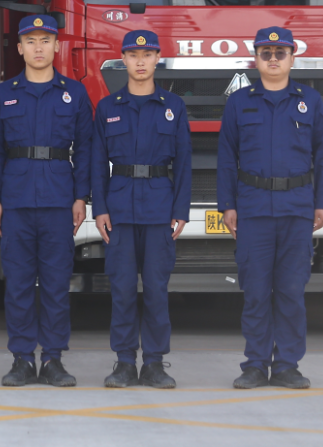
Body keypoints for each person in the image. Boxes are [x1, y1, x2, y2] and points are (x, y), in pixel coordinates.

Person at [219, 26, 323, 391]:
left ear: (291, 58)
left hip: (297, 209)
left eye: (280, 53)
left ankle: (286, 365)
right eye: (265, 53)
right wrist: (227, 205)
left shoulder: (310, 100)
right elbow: (226, 158)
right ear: (255, 59)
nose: (273, 59)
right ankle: (255, 365)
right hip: (253, 209)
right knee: (255, 291)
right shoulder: (239, 102)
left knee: (290, 291)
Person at [0, 13, 92, 388]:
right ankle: (21, 360)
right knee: (17, 283)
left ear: (56, 46)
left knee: (56, 284)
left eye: (45, 40)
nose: (38, 48)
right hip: (15, 201)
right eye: (31, 41)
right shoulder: (3, 94)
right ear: (20, 48)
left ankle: (53, 360)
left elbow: (86, 149)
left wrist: (81, 196)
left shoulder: (74, 93)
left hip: (59, 200)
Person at [90, 30, 191, 389]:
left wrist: (181, 209)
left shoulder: (173, 106)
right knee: (121, 289)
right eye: (133, 55)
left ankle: (154, 364)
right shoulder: (108, 108)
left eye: (147, 55)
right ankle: (123, 363)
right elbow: (97, 163)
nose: (140, 61)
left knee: (156, 290)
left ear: (157, 58)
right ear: (124, 59)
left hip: (159, 210)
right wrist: (100, 208)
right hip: (119, 210)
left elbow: (184, 163)